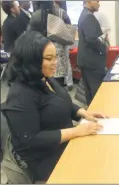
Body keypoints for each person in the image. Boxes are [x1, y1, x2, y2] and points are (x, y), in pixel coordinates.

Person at [1, 31, 107, 181]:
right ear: (31, 61)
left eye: (55, 57)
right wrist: (76, 131)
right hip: (45, 160)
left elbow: (63, 103)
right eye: (49, 59)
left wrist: (83, 113)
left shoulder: (44, 78)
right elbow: (31, 140)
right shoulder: (20, 95)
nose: (55, 63)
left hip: (64, 145)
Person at [29, 1, 72, 88]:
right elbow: (69, 29)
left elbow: (31, 34)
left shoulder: (35, 15)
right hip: (58, 48)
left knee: (45, 79)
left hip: (41, 48)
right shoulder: (61, 12)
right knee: (58, 80)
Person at [77, 0, 107, 105]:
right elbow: (91, 39)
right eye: (97, 1)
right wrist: (104, 48)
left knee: (89, 92)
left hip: (86, 59)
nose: (99, 3)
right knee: (96, 91)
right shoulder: (89, 17)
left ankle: (92, 111)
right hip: (92, 60)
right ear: (89, 1)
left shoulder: (84, 14)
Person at [53, 1, 74, 91]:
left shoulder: (47, 11)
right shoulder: (62, 12)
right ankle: (69, 82)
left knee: (55, 62)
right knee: (66, 61)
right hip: (63, 40)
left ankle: (56, 83)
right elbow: (69, 26)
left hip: (52, 41)